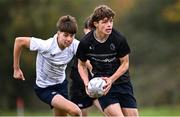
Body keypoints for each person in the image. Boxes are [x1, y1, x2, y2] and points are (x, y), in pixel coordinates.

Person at [76, 5, 139, 117]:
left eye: (111, 21)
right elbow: (81, 65)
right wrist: (87, 84)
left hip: (123, 83)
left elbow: (125, 63)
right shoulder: (86, 42)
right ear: (96, 24)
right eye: (105, 22)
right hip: (103, 87)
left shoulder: (119, 39)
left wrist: (111, 79)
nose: (109, 25)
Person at [13, 15, 82, 116]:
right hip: (45, 88)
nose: (69, 39)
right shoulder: (46, 46)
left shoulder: (75, 45)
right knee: (76, 111)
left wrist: (94, 73)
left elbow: (86, 60)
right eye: (65, 35)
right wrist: (16, 68)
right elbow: (19, 41)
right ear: (58, 33)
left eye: (72, 36)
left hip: (61, 85)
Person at [69, 17, 104, 117]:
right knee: (80, 114)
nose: (92, 32)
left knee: (108, 111)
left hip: (96, 84)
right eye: (89, 29)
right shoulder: (82, 45)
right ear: (85, 30)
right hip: (79, 86)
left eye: (94, 29)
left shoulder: (101, 45)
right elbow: (88, 64)